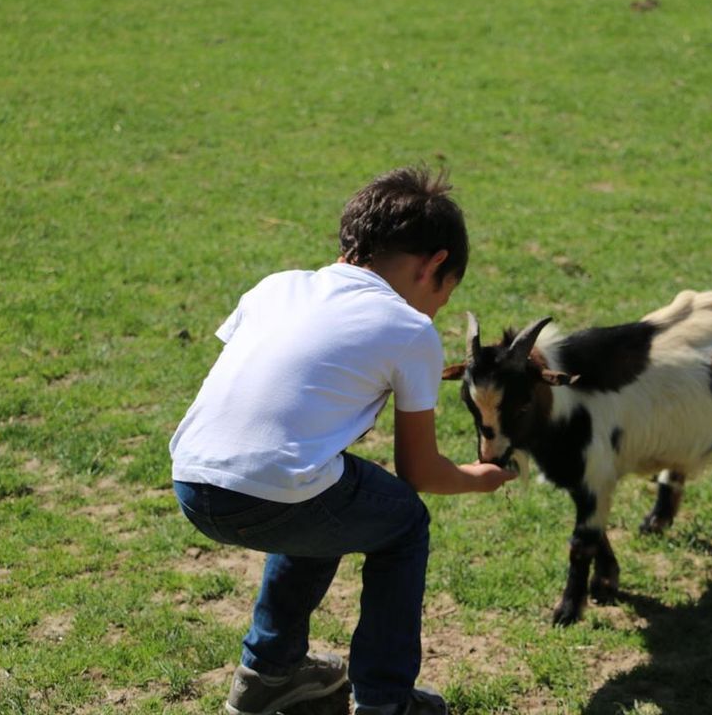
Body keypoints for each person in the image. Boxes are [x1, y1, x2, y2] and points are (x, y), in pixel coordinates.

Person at [170, 166, 516, 715]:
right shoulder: (409, 329)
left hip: (191, 480)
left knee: (321, 490)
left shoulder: (275, 286)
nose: (437, 309)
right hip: (271, 490)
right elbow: (419, 473)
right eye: (444, 296)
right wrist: (478, 478)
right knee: (401, 521)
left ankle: (269, 675)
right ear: (436, 265)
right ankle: (384, 700)